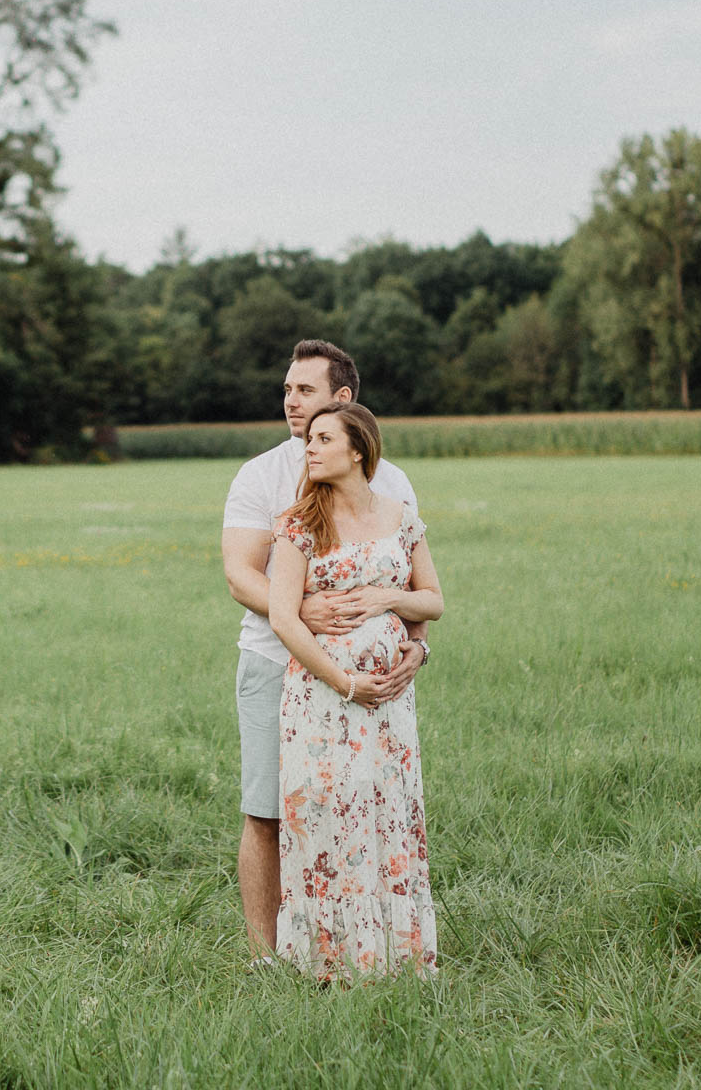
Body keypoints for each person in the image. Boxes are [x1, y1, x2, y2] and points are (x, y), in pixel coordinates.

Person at [220, 340, 427, 965]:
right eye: (286, 389)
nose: (290, 402)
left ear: (346, 400)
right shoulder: (262, 474)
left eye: (304, 390)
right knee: (269, 810)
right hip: (271, 663)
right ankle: (266, 960)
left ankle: (352, 948)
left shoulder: (391, 482)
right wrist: (297, 609)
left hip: (373, 680)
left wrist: (418, 647)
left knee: (363, 806)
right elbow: (239, 573)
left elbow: (411, 583)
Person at [267, 401, 442, 980]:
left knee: (386, 812)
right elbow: (284, 618)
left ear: (357, 450)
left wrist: (390, 600)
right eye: (308, 440)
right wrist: (345, 683)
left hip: (390, 702)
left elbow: (433, 601)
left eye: (322, 439)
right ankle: (330, 961)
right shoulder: (299, 523)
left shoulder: (401, 517)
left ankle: (395, 955)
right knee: (326, 813)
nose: (309, 448)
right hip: (322, 698)